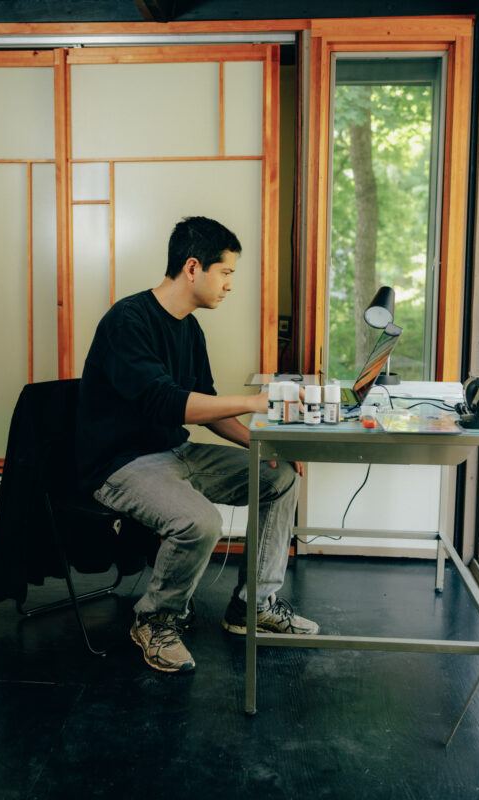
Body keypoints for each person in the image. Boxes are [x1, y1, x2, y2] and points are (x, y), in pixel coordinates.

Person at [76, 216, 319, 674]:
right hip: (120, 464)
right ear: (193, 267)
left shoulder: (189, 329)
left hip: (177, 452)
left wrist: (259, 446)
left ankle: (253, 606)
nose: (229, 285)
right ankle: (156, 621)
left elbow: (204, 406)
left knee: (280, 478)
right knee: (200, 521)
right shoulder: (127, 321)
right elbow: (166, 403)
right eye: (225, 272)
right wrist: (255, 400)